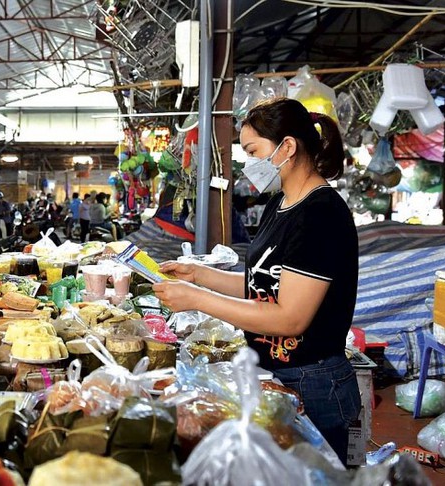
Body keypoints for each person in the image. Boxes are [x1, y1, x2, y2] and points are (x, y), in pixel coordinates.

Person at [152, 98, 359, 465]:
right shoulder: (278, 205)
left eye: (252, 151)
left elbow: (289, 318)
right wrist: (199, 275)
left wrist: (197, 298)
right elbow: (259, 287)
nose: (248, 163)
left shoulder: (321, 213)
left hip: (313, 383)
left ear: (288, 147)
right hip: (277, 376)